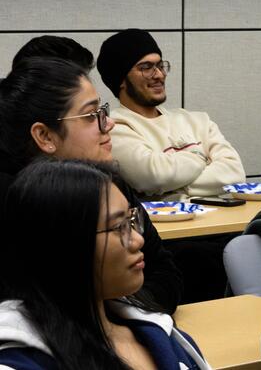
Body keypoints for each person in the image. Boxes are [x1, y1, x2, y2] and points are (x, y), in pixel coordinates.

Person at [0, 56, 183, 313]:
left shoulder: (108, 182)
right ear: (44, 136)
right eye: (91, 115)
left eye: (103, 111)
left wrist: (121, 321)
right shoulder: (12, 206)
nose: (109, 123)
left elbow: (164, 274)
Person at [0, 159, 210, 369]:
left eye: (131, 221)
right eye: (118, 227)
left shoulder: (159, 333)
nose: (138, 240)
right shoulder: (21, 361)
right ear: (61, 244)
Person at [96, 28, 245, 200]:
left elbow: (234, 173)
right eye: (146, 68)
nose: (159, 75)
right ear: (120, 80)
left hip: (217, 224)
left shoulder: (198, 120)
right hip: (163, 227)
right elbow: (153, 176)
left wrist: (174, 190)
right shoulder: (115, 128)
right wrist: (200, 157)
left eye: (160, 66)